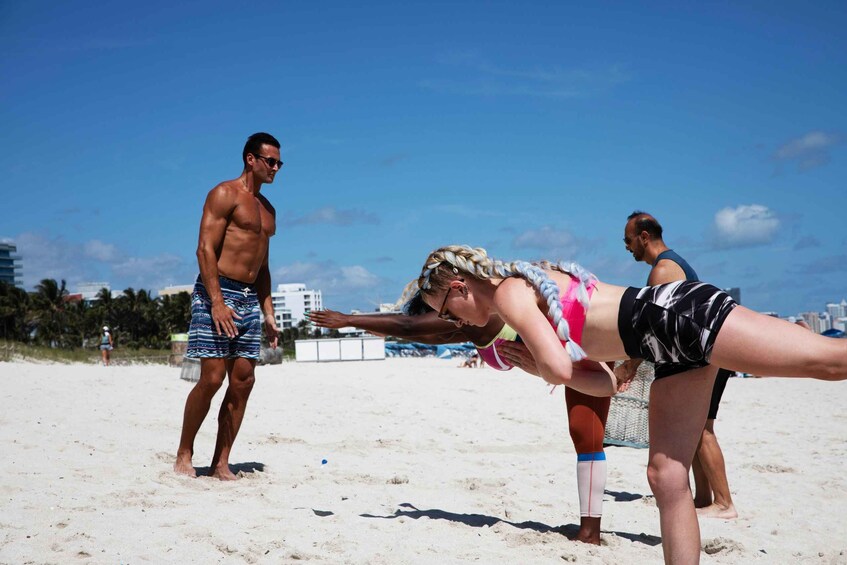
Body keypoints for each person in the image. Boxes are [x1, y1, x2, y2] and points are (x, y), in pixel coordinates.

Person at [413, 244, 845, 564]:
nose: (454, 322)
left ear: (459, 286)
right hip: (663, 348)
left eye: (447, 312)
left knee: (826, 362)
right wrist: (542, 367)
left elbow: (559, 368)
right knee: (665, 476)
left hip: (677, 315)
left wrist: (537, 366)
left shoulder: (509, 294)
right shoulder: (517, 299)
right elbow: (603, 383)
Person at [309, 304, 611, 545]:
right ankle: (590, 529)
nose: (444, 319)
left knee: (586, 437)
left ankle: (589, 533)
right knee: (583, 437)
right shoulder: (466, 328)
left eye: (443, 310)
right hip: (572, 355)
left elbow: (409, 325)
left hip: (588, 341)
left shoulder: (487, 318)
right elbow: (419, 332)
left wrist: (349, 319)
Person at [174, 132, 281, 480]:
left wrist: (268, 312)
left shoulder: (268, 210)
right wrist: (217, 302)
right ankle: (184, 454)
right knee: (213, 378)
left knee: (244, 380)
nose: (276, 168)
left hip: (250, 297)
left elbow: (262, 267)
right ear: (251, 159)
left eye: (280, 163)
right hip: (216, 290)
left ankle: (222, 462)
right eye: (271, 161)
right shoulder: (224, 194)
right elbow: (205, 249)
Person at [622, 211, 737, 520]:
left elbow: (652, 328)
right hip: (705, 354)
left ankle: (725, 503)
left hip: (709, 355)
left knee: (703, 430)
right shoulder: (672, 264)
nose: (626, 247)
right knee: (694, 429)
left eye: (628, 240)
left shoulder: (663, 271)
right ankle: (703, 499)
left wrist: (630, 365)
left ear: (644, 237)